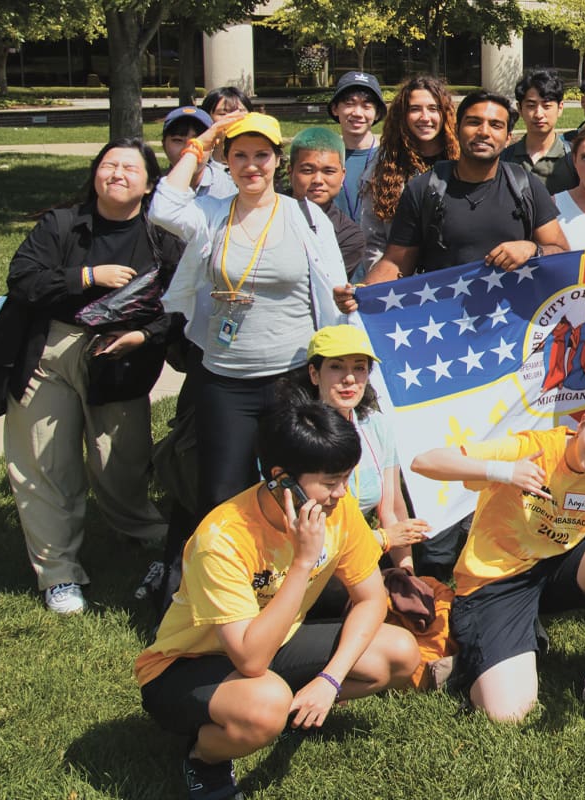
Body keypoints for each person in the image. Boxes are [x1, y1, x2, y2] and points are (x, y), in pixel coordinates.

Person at [135, 402, 420, 800]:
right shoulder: (222, 539)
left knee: (399, 653)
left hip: (274, 647)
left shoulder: (337, 510)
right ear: (282, 480)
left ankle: (278, 713)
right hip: (186, 666)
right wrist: (303, 562)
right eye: (332, 482)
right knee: (266, 702)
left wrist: (329, 679)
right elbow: (249, 660)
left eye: (347, 478)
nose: (343, 493)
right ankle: (204, 756)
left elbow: (372, 599)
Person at [151, 112, 352, 589]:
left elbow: (336, 289)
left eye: (261, 155)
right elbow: (163, 206)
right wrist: (203, 139)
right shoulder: (211, 212)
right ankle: (226, 586)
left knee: (297, 486)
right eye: (239, 155)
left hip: (291, 377)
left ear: (277, 160)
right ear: (227, 160)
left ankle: (293, 581)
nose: (251, 166)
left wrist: (346, 303)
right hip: (224, 378)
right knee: (222, 492)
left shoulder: (304, 215)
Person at [409, 390, 585, 724]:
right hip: (496, 581)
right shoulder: (535, 449)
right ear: (583, 423)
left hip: (553, 568)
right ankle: (470, 657)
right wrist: (503, 472)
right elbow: (424, 462)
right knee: (509, 714)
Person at [5, 139, 179, 614]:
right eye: (109, 165)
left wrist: (144, 337)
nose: (117, 174)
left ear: (149, 184)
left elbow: (185, 304)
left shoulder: (162, 234)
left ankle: (142, 532)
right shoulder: (61, 224)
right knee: (44, 464)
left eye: (130, 168)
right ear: (95, 174)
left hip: (123, 354)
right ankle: (58, 573)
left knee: (118, 461)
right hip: (54, 350)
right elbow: (22, 279)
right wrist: (86, 276)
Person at [359, 91, 566, 283]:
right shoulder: (423, 188)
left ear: (508, 138)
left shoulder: (525, 185)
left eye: (495, 125)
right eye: (474, 122)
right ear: (457, 130)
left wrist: (532, 249)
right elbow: (396, 262)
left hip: (513, 319)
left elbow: (563, 253)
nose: (484, 132)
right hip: (445, 317)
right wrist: (362, 293)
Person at [278, 325, 428, 571]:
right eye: (336, 367)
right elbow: (294, 528)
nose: (349, 378)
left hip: (361, 555)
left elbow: (391, 510)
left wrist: (406, 573)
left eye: (359, 368)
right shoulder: (291, 434)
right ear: (314, 374)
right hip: (306, 561)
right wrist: (383, 538)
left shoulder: (378, 426)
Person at [360, 76, 458, 272]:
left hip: (456, 279)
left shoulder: (463, 162)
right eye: (415, 109)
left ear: (445, 113)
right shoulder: (382, 167)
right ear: (402, 115)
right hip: (404, 284)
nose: (425, 117)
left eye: (433, 108)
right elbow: (374, 241)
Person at [285, 127, 369, 272]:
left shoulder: (349, 236)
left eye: (328, 171)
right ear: (290, 172)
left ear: (342, 175)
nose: (318, 180)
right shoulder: (265, 212)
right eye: (307, 170)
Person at [502, 69, 578, 195]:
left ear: (560, 108)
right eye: (531, 106)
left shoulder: (574, 158)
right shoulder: (504, 159)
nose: (538, 114)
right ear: (520, 109)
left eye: (546, 106)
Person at [328, 71, 384, 223]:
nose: (357, 113)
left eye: (366, 106)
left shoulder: (389, 158)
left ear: (377, 113)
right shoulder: (325, 157)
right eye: (349, 104)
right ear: (335, 109)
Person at [159, 106, 232, 199]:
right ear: (164, 145)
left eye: (200, 141)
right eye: (178, 140)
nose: (188, 149)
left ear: (213, 144)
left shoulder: (229, 188)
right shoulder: (155, 189)